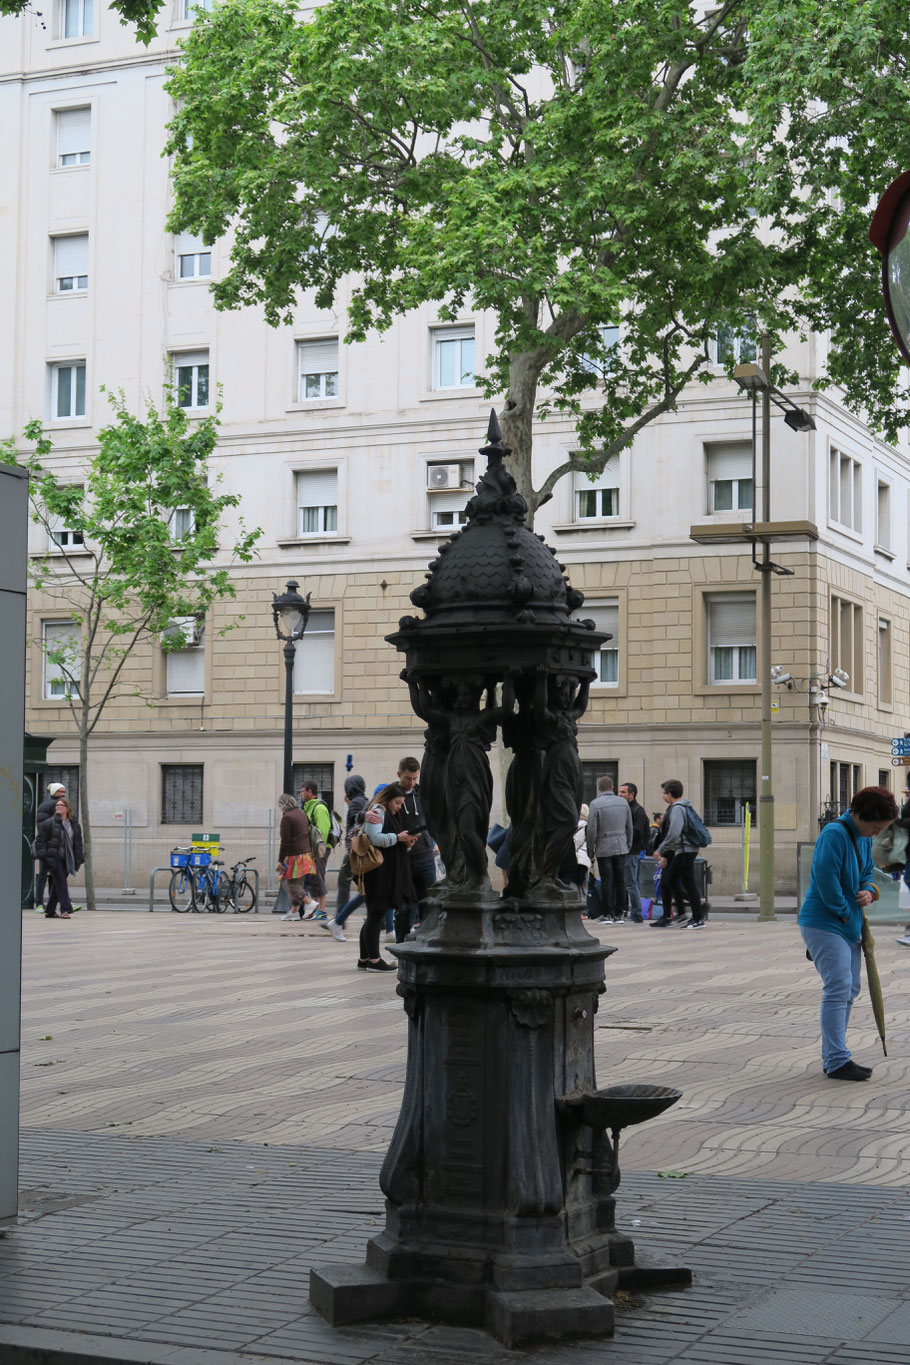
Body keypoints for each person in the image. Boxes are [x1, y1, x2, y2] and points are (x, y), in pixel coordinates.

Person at [798, 785, 897, 1081]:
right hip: (824, 921)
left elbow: (867, 871)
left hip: (847, 922)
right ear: (859, 814)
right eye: (875, 826)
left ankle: (835, 1056)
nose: (876, 833)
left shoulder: (862, 837)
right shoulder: (834, 833)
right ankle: (836, 1059)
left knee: (849, 988)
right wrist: (843, 910)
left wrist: (870, 891)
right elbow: (825, 880)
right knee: (839, 986)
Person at [358, 782, 417, 971]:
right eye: (397, 802)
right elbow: (375, 838)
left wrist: (405, 843)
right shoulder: (378, 810)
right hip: (377, 872)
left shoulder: (389, 813)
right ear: (388, 798)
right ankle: (374, 961)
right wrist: (398, 838)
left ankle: (364, 958)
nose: (399, 807)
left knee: (373, 914)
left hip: (382, 870)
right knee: (376, 914)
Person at [393, 756, 438, 942]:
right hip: (402, 860)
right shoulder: (391, 794)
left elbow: (436, 817)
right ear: (399, 774)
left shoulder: (424, 793)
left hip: (426, 857)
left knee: (428, 906)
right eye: (407, 778)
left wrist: (436, 842)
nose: (411, 783)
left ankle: (426, 946)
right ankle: (401, 949)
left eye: (414, 778)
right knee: (405, 908)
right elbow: (369, 811)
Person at [323, 775, 369, 941]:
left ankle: (339, 920)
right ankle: (340, 919)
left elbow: (355, 821)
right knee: (365, 888)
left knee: (345, 883)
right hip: (358, 851)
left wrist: (350, 806)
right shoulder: (364, 800)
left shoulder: (357, 802)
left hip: (353, 852)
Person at [653, 779, 704, 928]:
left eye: (664, 793)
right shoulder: (684, 806)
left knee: (687, 882)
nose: (663, 796)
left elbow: (674, 833)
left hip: (684, 849)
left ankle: (697, 918)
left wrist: (660, 850)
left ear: (670, 793)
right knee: (671, 880)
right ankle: (684, 914)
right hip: (684, 849)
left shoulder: (677, 808)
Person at [586, 776, 632, 923]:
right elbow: (629, 826)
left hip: (604, 846)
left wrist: (590, 851)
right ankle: (620, 913)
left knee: (607, 880)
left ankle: (608, 913)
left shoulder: (595, 804)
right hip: (621, 845)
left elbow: (592, 830)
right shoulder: (623, 803)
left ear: (599, 789)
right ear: (612, 787)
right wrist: (628, 844)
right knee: (620, 880)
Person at [34, 796, 84, 920]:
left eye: (61, 805)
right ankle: (65, 909)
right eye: (57, 805)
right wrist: (45, 856)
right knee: (61, 882)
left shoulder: (74, 825)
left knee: (57, 886)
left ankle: (50, 910)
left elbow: (77, 843)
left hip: (67, 859)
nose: (58, 807)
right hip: (53, 858)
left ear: (67, 808)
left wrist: (79, 858)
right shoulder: (49, 823)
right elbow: (40, 841)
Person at [276, 794, 318, 921]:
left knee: (288, 882)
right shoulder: (301, 813)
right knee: (297, 882)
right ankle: (294, 911)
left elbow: (285, 842)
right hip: (305, 853)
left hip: (294, 855)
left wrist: (281, 859)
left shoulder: (287, 818)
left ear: (282, 805)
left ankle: (309, 903)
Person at [300, 780, 332, 920]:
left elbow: (323, 831)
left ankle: (322, 910)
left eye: (302, 791)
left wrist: (318, 850)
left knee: (318, 877)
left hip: (319, 849)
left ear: (309, 792)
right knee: (313, 878)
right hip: (311, 849)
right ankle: (317, 909)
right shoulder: (308, 807)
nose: (300, 794)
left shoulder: (318, 808)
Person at [619, 782, 650, 923]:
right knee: (630, 883)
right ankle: (626, 911)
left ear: (632, 794)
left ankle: (637, 913)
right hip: (629, 851)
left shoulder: (638, 811)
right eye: (619, 792)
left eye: (623, 792)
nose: (620, 794)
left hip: (632, 851)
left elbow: (637, 832)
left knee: (631, 883)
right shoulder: (627, 809)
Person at [34, 781, 67, 912]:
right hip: (48, 846)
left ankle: (48, 904)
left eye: (64, 792)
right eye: (61, 792)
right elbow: (43, 827)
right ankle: (40, 904)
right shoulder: (48, 806)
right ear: (54, 792)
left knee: (53, 875)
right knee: (44, 875)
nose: (63, 794)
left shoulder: (60, 805)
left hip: (56, 845)